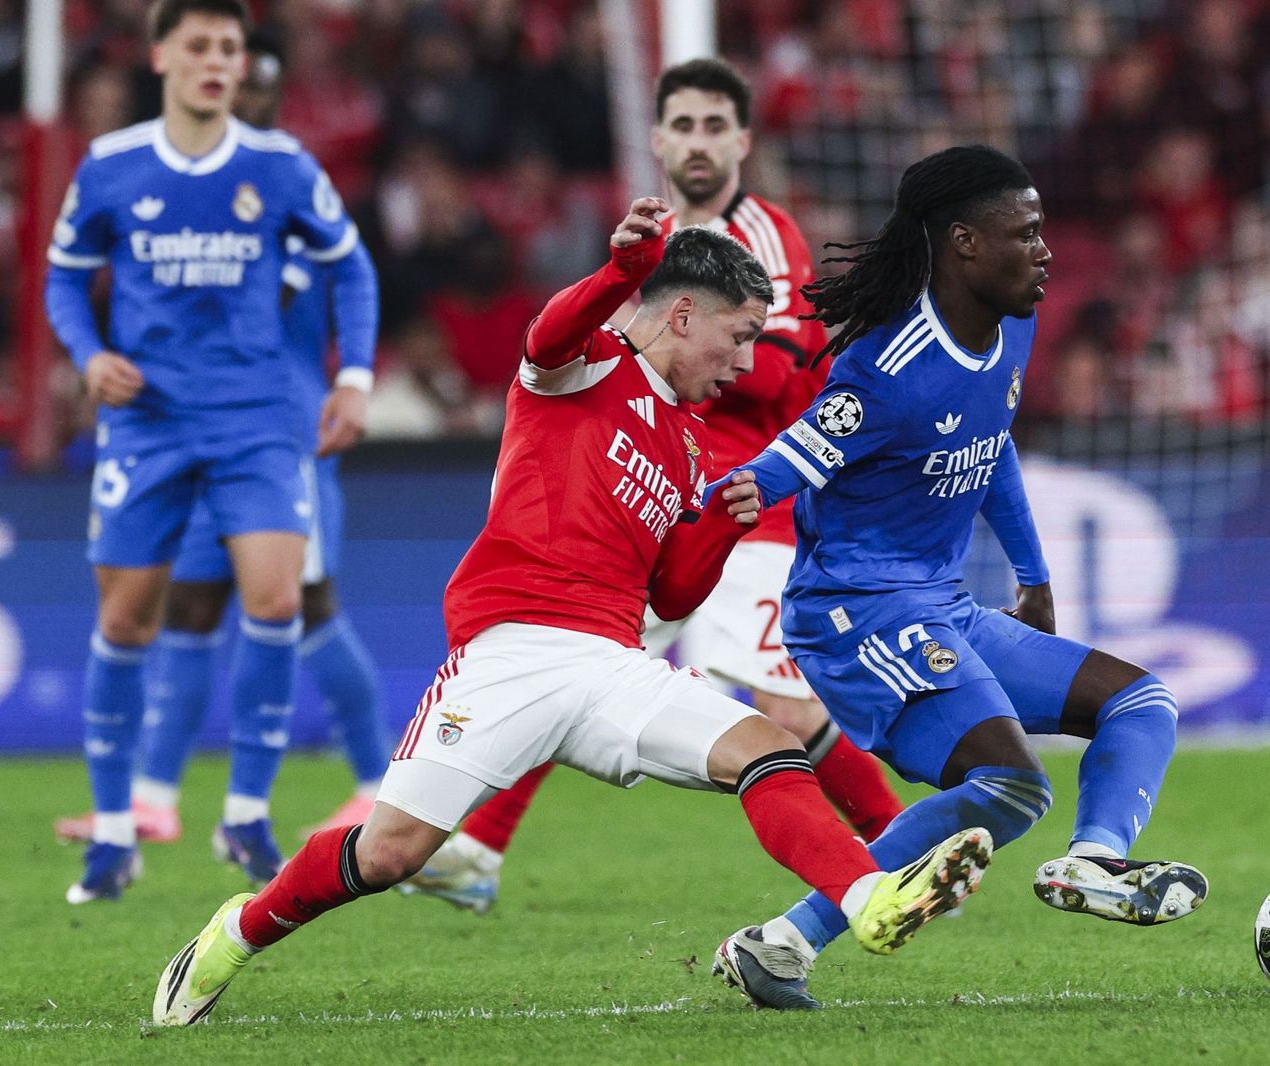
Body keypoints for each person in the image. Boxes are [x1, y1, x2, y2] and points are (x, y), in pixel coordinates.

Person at [152, 201, 993, 1026]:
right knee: (389, 853)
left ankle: (868, 897)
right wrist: (623, 270)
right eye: (740, 337)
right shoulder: (590, 361)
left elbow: (668, 596)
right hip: (510, 651)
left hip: (612, 664)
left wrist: (721, 529)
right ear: (686, 313)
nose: (744, 364)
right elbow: (546, 334)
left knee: (767, 747)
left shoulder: (691, 442)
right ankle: (236, 932)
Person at [707, 145, 1209, 1011]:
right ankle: (791, 939)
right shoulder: (882, 370)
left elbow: (994, 442)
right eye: (1028, 233)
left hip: (943, 604)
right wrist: (714, 497)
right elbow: (788, 462)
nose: (1047, 250)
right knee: (1012, 786)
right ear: (967, 243)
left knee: (1141, 703)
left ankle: (1089, 865)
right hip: (854, 616)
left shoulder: (1014, 325)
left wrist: (1034, 571)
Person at [402, 57, 904, 914]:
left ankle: (897, 836)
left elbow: (780, 371)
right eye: (684, 125)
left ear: (743, 141)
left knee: (778, 709)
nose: (698, 142)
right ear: (657, 137)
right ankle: (479, 848)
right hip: (660, 503)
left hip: (751, 496)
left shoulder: (763, 235)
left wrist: (665, 360)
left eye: (716, 126)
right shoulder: (658, 244)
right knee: (576, 658)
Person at [44, 0, 378, 902]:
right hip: (147, 423)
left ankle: (243, 814)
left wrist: (353, 382)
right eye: (199, 46)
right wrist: (89, 356)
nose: (217, 61)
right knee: (128, 623)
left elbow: (352, 265)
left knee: (277, 600)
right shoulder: (112, 167)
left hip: (258, 422)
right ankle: (114, 835)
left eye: (229, 47)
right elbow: (64, 279)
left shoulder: (279, 168)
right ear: (161, 56)